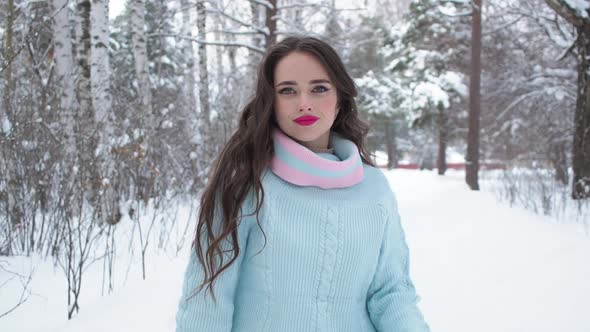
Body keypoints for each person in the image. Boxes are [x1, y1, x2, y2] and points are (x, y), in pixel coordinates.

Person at [175, 35, 431, 332]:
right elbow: (208, 301)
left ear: (340, 100)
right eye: (288, 91)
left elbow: (391, 293)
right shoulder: (244, 184)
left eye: (319, 88)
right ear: (271, 102)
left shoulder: (374, 189)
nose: (304, 104)